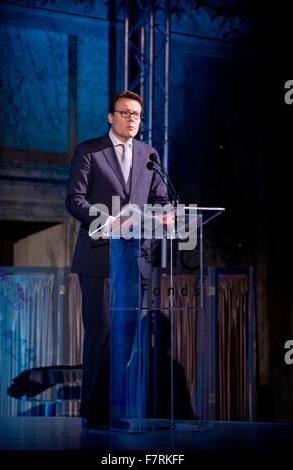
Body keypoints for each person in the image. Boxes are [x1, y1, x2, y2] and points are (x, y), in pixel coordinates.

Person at [65, 90, 170, 429]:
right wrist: (109, 222)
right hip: (99, 257)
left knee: (125, 335)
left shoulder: (149, 155)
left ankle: (111, 409)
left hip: (134, 259)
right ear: (111, 117)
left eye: (137, 114)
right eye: (125, 113)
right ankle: (93, 411)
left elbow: (160, 199)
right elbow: (74, 200)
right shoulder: (90, 151)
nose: (131, 119)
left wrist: (167, 214)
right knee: (102, 332)